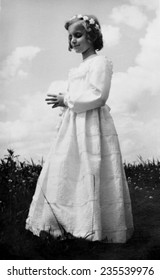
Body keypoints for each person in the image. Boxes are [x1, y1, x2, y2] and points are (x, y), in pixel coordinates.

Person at [26, 14, 133, 242]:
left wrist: (68, 99)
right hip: (74, 124)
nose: (73, 40)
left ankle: (94, 228)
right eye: (70, 37)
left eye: (78, 35)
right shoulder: (80, 66)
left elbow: (98, 95)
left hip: (91, 123)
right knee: (67, 169)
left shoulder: (100, 62)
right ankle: (66, 224)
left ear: (92, 36)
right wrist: (65, 106)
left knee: (91, 168)